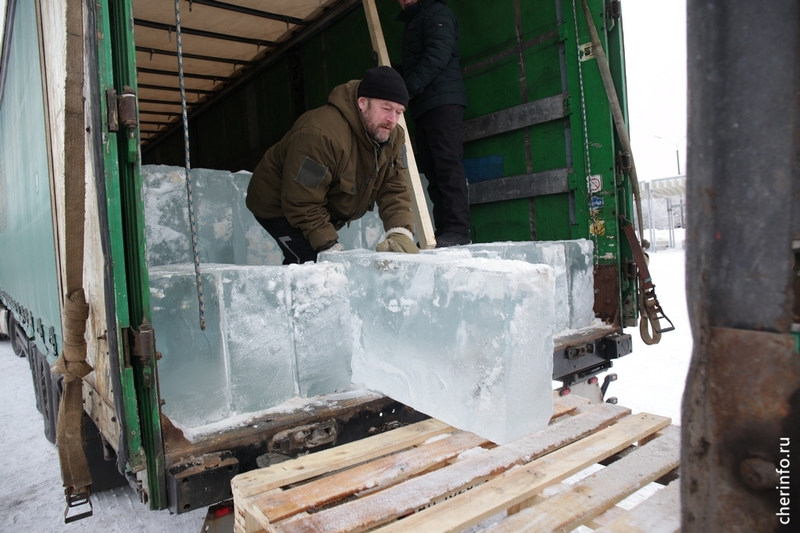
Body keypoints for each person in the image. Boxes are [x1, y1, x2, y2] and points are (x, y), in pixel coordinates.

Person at [246, 66, 420, 264]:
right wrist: (328, 247)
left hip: (319, 202)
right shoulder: (320, 135)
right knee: (311, 263)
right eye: (386, 108)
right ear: (362, 102)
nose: (392, 119)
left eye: (399, 112)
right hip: (278, 204)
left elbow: (394, 186)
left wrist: (400, 231)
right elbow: (302, 200)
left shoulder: (394, 135)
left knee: (318, 261)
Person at [396, 0, 470, 247]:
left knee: (447, 164)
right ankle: (444, 230)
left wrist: (406, 88)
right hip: (424, 104)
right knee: (432, 169)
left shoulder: (438, 13)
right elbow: (419, 63)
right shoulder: (415, 20)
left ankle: (458, 230)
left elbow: (438, 53)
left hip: (442, 102)